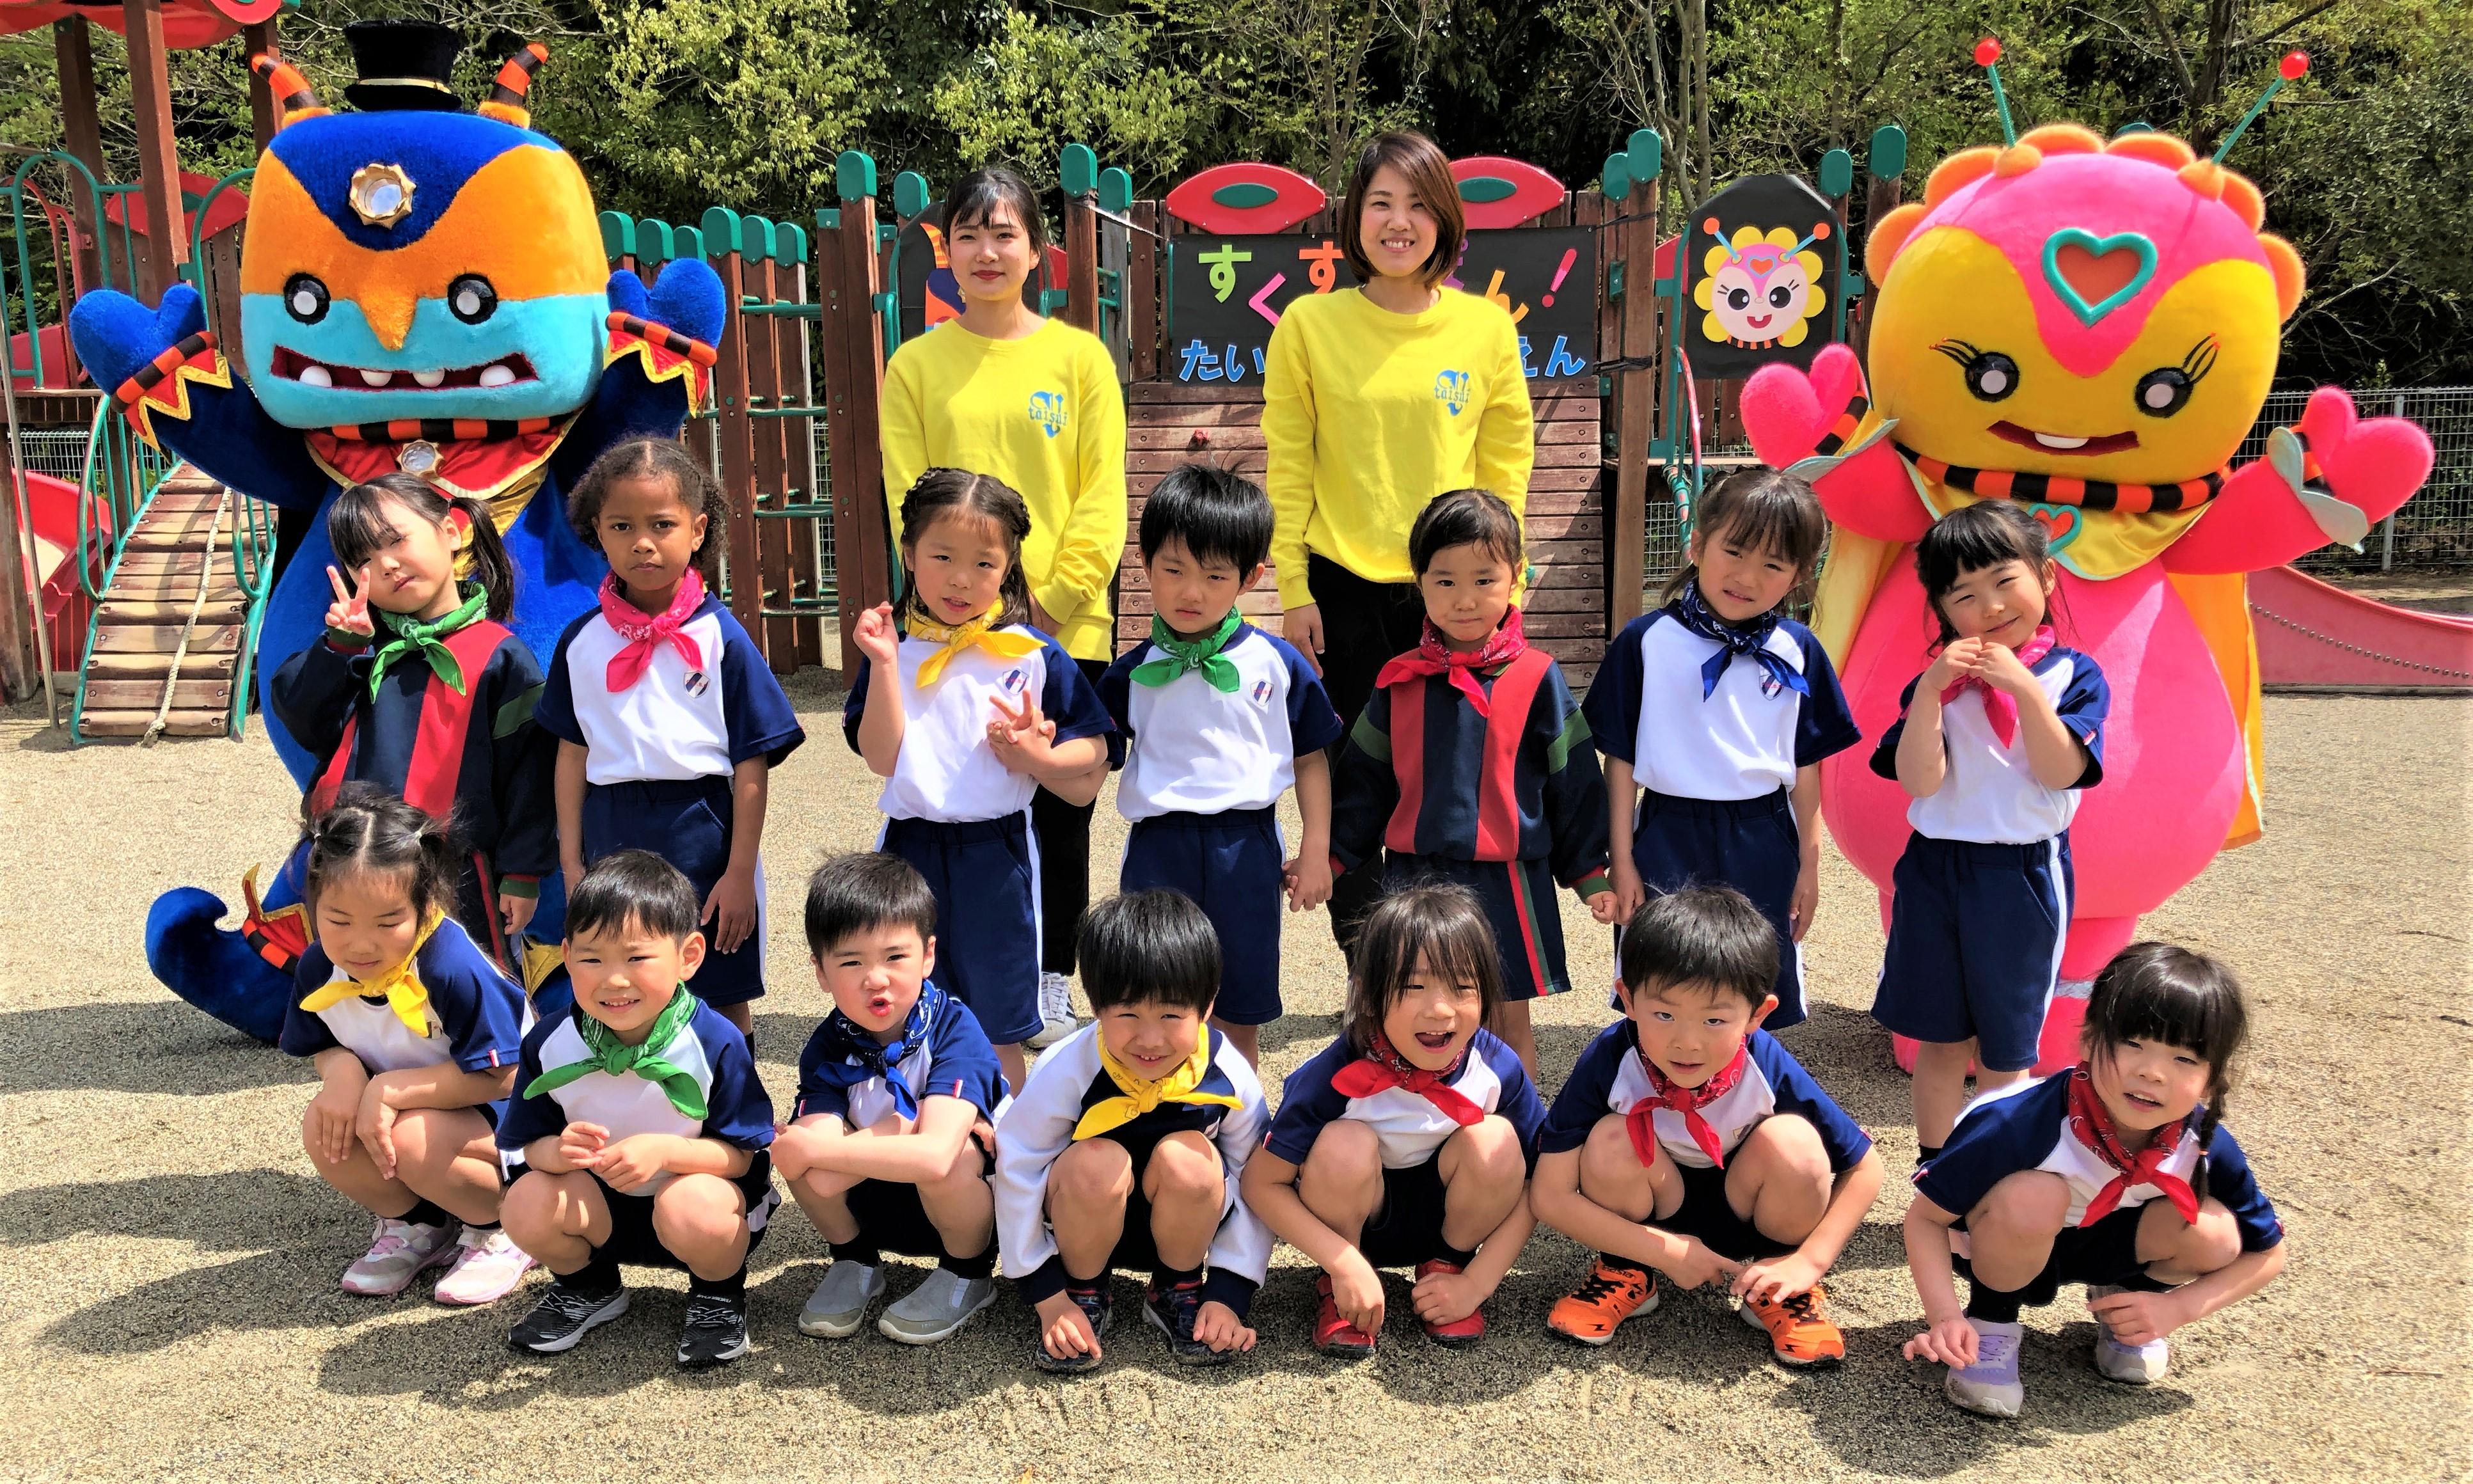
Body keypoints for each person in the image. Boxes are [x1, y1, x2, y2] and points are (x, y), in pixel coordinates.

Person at [1263, 129, 1535, 953]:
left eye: (1417, 204)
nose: (1397, 222)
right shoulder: (1309, 324)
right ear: (1354, 217)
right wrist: (1293, 589)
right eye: (1380, 202)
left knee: (1447, 783)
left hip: (1452, 594)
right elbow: (1288, 465)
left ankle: (1441, 967)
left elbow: (1506, 467)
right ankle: (1368, 965)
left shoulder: (1484, 330)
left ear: (1444, 220)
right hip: (1339, 588)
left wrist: (1506, 586)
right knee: (1353, 785)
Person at [882, 164, 1128, 1049]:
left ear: (1037, 252)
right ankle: (940, 980)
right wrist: (960, 606)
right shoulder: (915, 365)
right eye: (968, 235)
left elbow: (1101, 494)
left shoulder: (1079, 358)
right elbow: (908, 497)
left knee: (1059, 810)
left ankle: (1049, 977)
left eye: (1004, 233)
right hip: (949, 629)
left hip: (1061, 627)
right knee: (954, 802)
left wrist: (1045, 610)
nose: (986, 252)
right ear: (945, 251)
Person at [1902, 942, 2286, 1418]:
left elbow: (2267, 1253)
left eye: (2185, 1059)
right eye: (2133, 1044)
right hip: (2004, 1243)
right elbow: (1926, 1219)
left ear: (2213, 1079)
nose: (2152, 1072)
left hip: (2117, 1244)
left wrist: (2178, 1308)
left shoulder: (2203, 1142)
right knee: (2034, 1196)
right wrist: (1944, 1317)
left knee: (2216, 1232)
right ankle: (1991, 1322)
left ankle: (2126, 1307)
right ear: (2089, 1040)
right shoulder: (2015, 1121)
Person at [1529, 887, 1881, 1364]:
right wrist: (1665, 1252)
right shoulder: (1612, 1058)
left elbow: (1865, 1168)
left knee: (1794, 1142)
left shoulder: (1765, 1062)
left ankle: (1778, 1285)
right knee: (1612, 1137)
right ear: (1627, 998)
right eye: (1664, 1014)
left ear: (1757, 1014)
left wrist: (1809, 1261)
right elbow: (1550, 1195)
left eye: (1715, 1020)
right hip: (1652, 1210)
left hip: (1748, 1210)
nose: (1687, 1042)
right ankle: (1627, 1270)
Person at [1327, 489, 1613, 1073]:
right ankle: (1418, 1120)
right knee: (1410, 1012)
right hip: (1414, 877)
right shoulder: (1398, 681)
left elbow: (1575, 781)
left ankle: (1515, 1122)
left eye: (1484, 580)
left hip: (1508, 879)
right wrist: (1330, 858)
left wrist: (1589, 873)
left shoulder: (1538, 677)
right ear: (1419, 583)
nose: (1465, 599)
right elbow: (1364, 784)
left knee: (1505, 1020)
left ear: (1516, 576)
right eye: (1445, 581)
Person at [846, 468, 1114, 1090]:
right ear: (909, 554)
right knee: (906, 1015)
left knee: (998, 1027)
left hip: (1000, 854)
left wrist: (1037, 760)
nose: (961, 579)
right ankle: (918, 1137)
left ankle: (1005, 1142)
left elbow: (1097, 750)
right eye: (942, 557)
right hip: (909, 849)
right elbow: (881, 757)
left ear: (1009, 565)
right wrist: (883, 665)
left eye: (983, 563)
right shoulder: (894, 649)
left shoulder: (1033, 654)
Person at [537, 438, 805, 1038]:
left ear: (698, 529)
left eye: (662, 524)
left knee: (719, 986)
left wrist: (739, 872)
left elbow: (752, 763)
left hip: (702, 828)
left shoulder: (722, 637)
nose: (643, 542)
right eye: (622, 526)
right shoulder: (580, 642)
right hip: (611, 827)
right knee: (620, 984)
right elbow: (571, 755)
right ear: (597, 532)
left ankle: (732, 1094)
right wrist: (572, 863)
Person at [1872, 501, 2110, 1157]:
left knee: (2007, 1049)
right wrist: (1929, 693)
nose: (1991, 606)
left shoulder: (2073, 676)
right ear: (1944, 612)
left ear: (2046, 577)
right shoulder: (1936, 689)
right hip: (1934, 871)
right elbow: (1919, 781)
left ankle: (1993, 1171)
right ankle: (1933, 1164)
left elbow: (2061, 770)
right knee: (1941, 1040)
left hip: (2021, 876)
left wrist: (2024, 689)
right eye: (1964, 595)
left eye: (2005, 581)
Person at [1583, 466, 1860, 1029]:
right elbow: (1621, 762)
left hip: (1763, 834)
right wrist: (1623, 859)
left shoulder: (1799, 649)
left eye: (1774, 565)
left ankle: (1747, 1080)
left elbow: (1807, 767)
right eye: (1733, 552)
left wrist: (1810, 867)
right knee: (1658, 973)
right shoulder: (1645, 641)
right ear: (1697, 544)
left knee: (1755, 983)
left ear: (1800, 575)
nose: (1747, 577)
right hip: (1666, 831)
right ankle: (1654, 1077)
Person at [1098, 462, 1344, 1066]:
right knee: (1154, 997)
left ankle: (1238, 1116)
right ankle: (1158, 1111)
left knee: (1239, 1007)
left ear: (1250, 576)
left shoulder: (1278, 664)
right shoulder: (1129, 674)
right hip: (1158, 848)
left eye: (1214, 576)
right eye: (1174, 570)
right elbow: (1090, 760)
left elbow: (1311, 758)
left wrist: (1316, 850)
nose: (1192, 592)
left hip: (1246, 849)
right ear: (1145, 563)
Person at [497, 850, 778, 1368]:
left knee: (695, 1205)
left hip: (696, 1205)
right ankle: (588, 1287)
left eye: (637, 958)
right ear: (566, 955)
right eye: (592, 959)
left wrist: (667, 1152)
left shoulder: (713, 1040)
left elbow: (743, 1155)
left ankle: (718, 1295)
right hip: (600, 1211)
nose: (614, 980)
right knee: (524, 1201)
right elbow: (529, 1145)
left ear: (689, 956)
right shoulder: (550, 1041)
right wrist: (559, 1151)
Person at [1242, 883, 1544, 1356]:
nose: (1439, 1009)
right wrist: (1342, 1261)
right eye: (1413, 986)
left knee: (1498, 1141)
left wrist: (1478, 1282)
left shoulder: (1496, 1067)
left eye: (1462, 986)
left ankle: (1447, 1268)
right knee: (1344, 1144)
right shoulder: (1333, 1074)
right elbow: (1262, 1183)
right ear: (1368, 993)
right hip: (1352, 1227)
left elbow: (1544, 1180)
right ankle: (1340, 1286)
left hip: (1454, 1226)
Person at [269, 474, 555, 966]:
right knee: (356, 988)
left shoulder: (502, 658)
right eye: (362, 560)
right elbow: (302, 719)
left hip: (458, 870)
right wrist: (342, 648)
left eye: (396, 540)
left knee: (461, 988)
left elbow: (530, 775)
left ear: (451, 532)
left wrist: (523, 873)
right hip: (354, 863)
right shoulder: (356, 651)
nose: (385, 565)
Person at [992, 891, 1270, 1372]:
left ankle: (1178, 1289)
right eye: (1128, 1015)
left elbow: (1255, 1175)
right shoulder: (1067, 1066)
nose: (1150, 1039)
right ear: (1097, 1007)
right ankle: (1084, 1293)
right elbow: (1017, 1164)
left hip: (1186, 1229)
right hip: (1083, 1228)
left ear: (1206, 1007)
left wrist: (1230, 1292)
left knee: (1192, 1158)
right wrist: (1047, 1294)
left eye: (1171, 1015)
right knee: (1096, 1162)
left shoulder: (1227, 1069)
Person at [281, 785, 535, 1305]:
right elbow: (324, 1042)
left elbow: (508, 1074)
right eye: (338, 920)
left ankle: (503, 1227)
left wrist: (391, 1090)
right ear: (312, 904)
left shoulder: (450, 966)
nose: (361, 943)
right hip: (431, 1114)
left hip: (521, 1121)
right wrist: (343, 1075)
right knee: (324, 1125)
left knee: (413, 1138)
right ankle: (419, 1224)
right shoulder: (319, 965)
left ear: (427, 904)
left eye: (388, 921)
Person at [777, 852, 1007, 1345]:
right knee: (803, 1160)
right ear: (821, 972)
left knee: (955, 1157)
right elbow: (816, 1170)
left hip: (968, 1209)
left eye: (895, 957)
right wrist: (906, 1127)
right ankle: (856, 1262)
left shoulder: (955, 1028)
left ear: (928, 955)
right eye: (851, 962)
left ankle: (967, 1275)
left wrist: (832, 1144)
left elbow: (937, 1155)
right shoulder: (828, 1043)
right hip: (877, 1198)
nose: (875, 979)